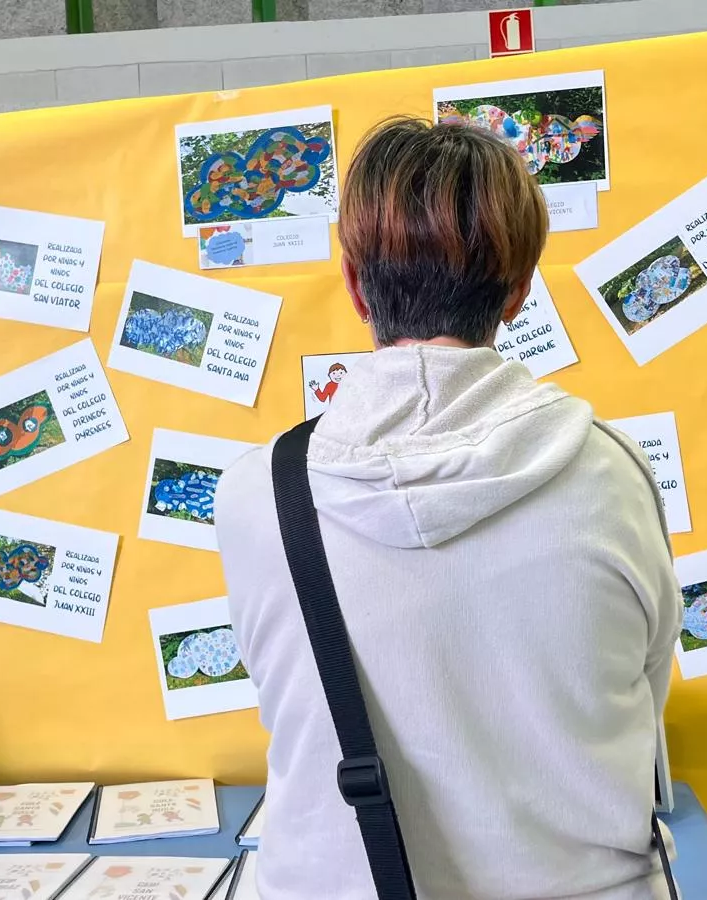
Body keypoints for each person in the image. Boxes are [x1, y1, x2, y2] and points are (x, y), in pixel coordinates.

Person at [216, 116, 680, 898]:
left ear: (356, 286)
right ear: (519, 291)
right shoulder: (614, 470)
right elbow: (643, 690)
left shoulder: (255, 494)